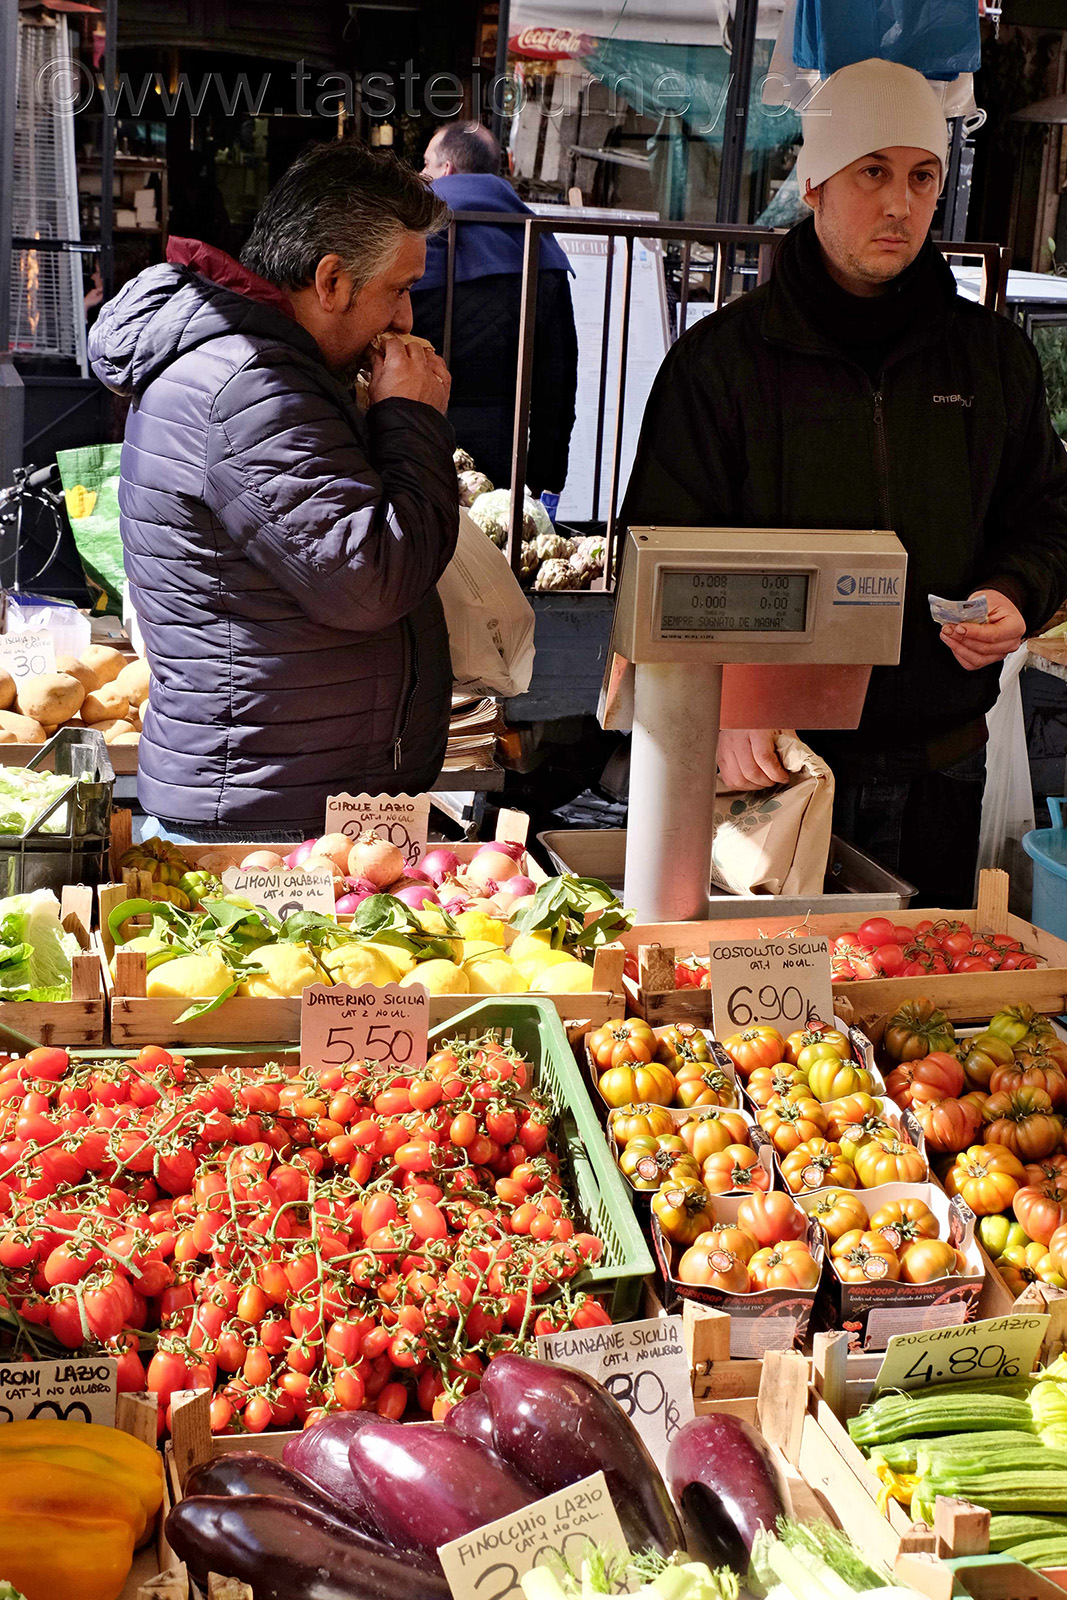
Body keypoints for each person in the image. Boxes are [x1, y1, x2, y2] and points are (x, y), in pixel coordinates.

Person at [623, 58, 1067, 906]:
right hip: (767, 770)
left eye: (921, 176)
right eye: (873, 172)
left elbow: (1048, 513)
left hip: (941, 763)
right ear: (816, 183)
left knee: (913, 1019)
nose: (899, 203)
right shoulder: (721, 364)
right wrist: (723, 704)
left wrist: (1017, 591)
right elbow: (658, 560)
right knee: (756, 1021)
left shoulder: (990, 359)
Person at [88, 139, 458, 843]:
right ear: (330, 281)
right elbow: (367, 578)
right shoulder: (252, 385)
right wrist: (409, 419)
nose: (406, 319)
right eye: (399, 289)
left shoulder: (269, 372)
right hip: (266, 818)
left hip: (287, 795)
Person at [411, 122, 578, 497]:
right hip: (506, 452)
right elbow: (558, 385)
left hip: (413, 439)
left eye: (426, 164)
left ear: (447, 169)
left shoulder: (412, 239)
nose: (422, 175)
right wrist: (546, 482)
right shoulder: (540, 245)